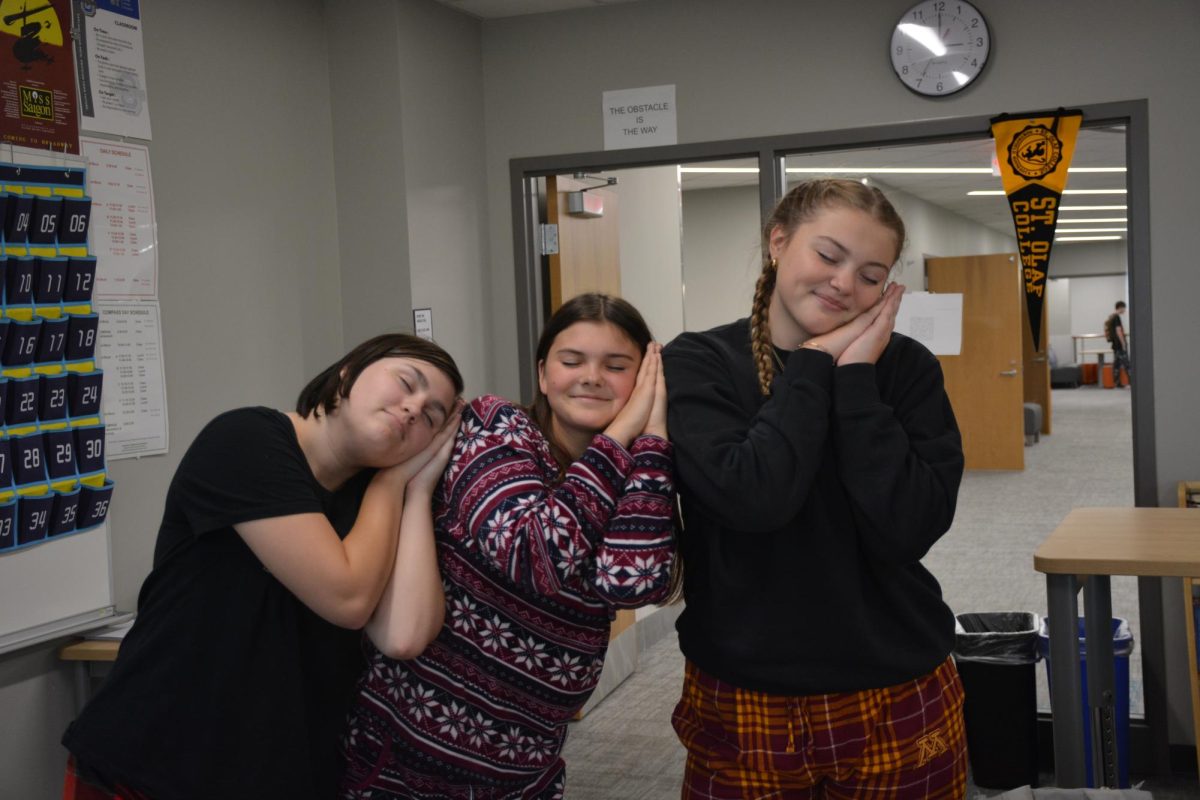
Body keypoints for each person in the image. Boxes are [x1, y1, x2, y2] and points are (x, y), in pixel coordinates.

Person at [62, 334, 465, 800]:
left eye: (433, 417)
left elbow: (404, 634)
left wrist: (414, 491)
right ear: (348, 372)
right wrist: (393, 480)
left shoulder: (374, 507)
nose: (415, 408)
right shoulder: (246, 440)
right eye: (406, 382)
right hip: (151, 765)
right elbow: (348, 598)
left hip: (279, 776)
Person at [664, 179, 967, 799]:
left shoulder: (905, 368)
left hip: (896, 679)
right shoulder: (699, 362)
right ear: (778, 242)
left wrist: (853, 375)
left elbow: (910, 527)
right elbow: (756, 498)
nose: (843, 283)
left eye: (869, 273)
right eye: (828, 256)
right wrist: (813, 364)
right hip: (744, 690)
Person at [340, 293, 676, 800]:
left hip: (528, 769)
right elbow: (531, 551)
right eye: (572, 361)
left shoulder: (634, 472)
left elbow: (634, 582)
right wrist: (625, 430)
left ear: (644, 381)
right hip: (408, 761)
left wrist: (651, 438)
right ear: (543, 374)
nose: (591, 377)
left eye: (616, 365)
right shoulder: (496, 427)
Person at [1104, 300, 1131, 387]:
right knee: (1127, 364)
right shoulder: (1117, 318)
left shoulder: (1111, 317)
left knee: (1117, 364)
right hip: (1119, 344)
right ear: (1120, 307)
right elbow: (1119, 331)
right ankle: (1132, 382)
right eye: (1124, 308)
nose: (1124, 310)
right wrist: (1123, 343)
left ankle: (1117, 383)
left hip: (1115, 345)